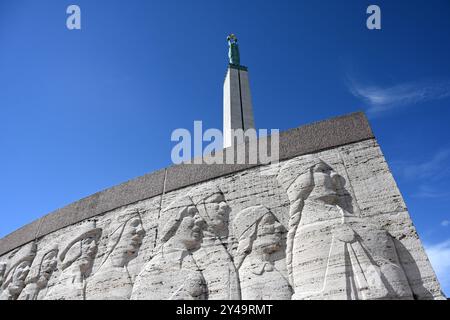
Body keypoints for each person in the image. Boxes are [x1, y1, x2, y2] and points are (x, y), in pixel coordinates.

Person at [277, 156, 414, 300]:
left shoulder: (355, 221)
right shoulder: (307, 236)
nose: (335, 176)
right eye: (322, 170)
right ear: (303, 183)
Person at [131, 196, 207, 300]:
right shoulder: (152, 272)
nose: (200, 220)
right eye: (191, 213)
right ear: (173, 223)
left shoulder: (189, 261)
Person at [189, 184, 241, 300]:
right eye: (216, 201)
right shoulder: (192, 253)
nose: (224, 205)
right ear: (199, 207)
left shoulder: (220, 243)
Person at [233, 206, 292, 300]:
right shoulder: (247, 274)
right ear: (251, 234)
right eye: (268, 222)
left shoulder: (271, 266)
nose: (279, 225)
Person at [85, 210, 145, 300]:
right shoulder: (100, 279)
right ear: (118, 233)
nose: (141, 230)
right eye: (135, 224)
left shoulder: (133, 272)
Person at [44, 222, 102, 300]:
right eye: (88, 242)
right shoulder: (59, 289)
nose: (93, 247)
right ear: (73, 249)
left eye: (95, 242)